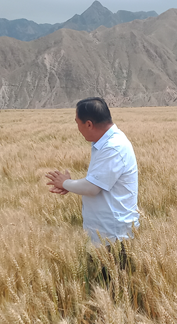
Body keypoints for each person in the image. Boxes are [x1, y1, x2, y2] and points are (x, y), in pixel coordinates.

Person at [45, 97, 140, 247]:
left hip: (113, 236)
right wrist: (69, 185)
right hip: (104, 235)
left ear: (89, 124)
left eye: (77, 123)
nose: (77, 128)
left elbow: (92, 187)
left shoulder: (113, 147)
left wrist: (65, 183)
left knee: (111, 271)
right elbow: (96, 182)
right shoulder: (104, 143)